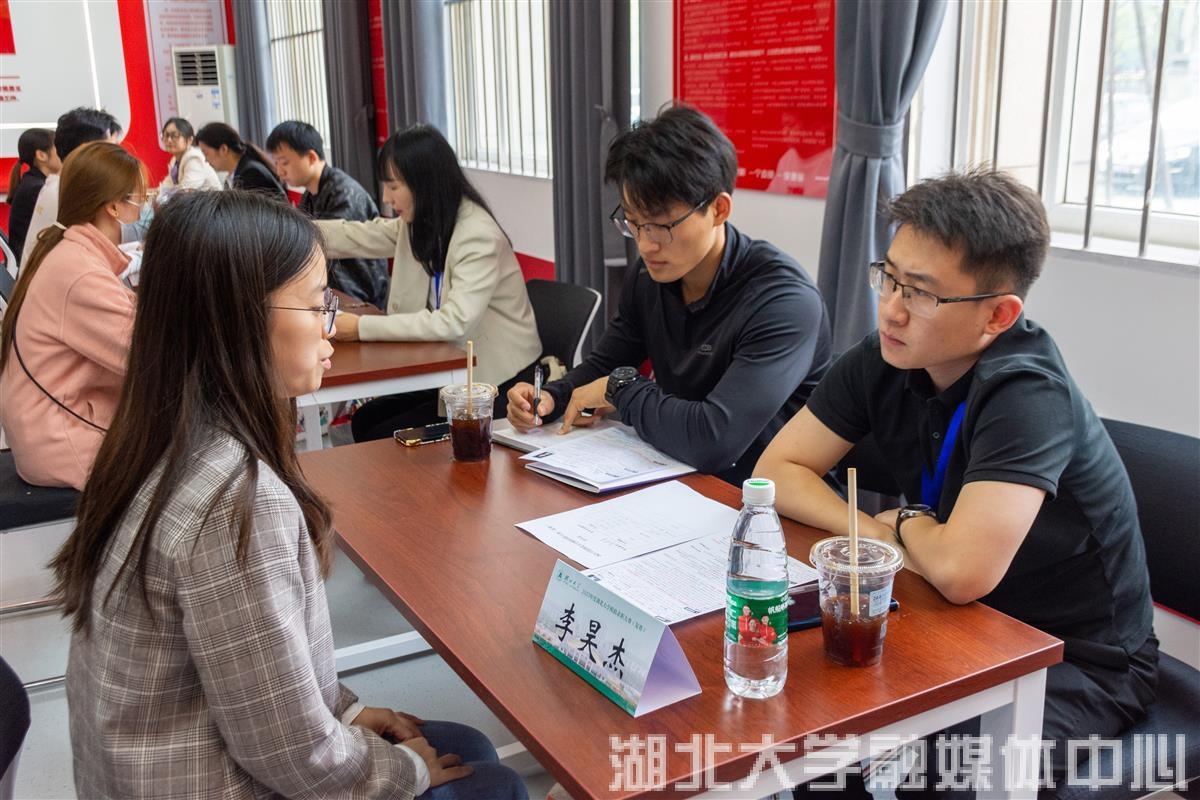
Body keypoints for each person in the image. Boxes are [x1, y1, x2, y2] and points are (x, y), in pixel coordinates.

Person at [50, 190, 528, 800]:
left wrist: (344, 709)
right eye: (317, 303)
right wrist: (404, 773)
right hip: (205, 779)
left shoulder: (159, 439)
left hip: (159, 763)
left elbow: (255, 671)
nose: (331, 327)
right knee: (493, 783)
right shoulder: (235, 499)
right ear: (239, 320)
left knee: (469, 747)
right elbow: (292, 753)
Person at [757, 169, 1157, 794]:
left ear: (999, 314)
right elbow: (776, 473)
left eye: (921, 293)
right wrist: (874, 534)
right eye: (889, 277)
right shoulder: (887, 353)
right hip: (950, 617)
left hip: (1072, 657)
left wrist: (904, 522)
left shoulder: (1028, 395)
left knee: (937, 781)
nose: (891, 308)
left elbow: (961, 571)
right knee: (812, 726)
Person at [506, 105, 832, 486]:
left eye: (662, 225)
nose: (645, 244)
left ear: (718, 209)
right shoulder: (651, 276)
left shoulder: (784, 302)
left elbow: (715, 439)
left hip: (767, 502)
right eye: (633, 223)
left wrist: (621, 389)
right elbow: (607, 362)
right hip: (677, 480)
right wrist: (551, 398)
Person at [315, 124, 541, 441]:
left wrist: (360, 327)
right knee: (367, 420)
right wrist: (296, 231)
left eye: (393, 186)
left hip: (497, 382)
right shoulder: (425, 221)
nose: (386, 197)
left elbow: (453, 323)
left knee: (380, 434)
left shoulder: (477, 234)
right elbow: (360, 235)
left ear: (424, 183)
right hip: (449, 368)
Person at [0, 142, 145, 490]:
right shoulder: (80, 273)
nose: (143, 212)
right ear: (113, 206)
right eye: (140, 201)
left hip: (54, 427)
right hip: (65, 442)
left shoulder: (70, 252)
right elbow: (150, 355)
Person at [267, 119, 389, 309]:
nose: (279, 171)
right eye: (276, 163)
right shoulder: (311, 193)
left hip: (358, 295)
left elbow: (322, 246)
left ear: (311, 157)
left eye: (285, 162)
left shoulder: (344, 193)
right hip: (332, 290)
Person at [23, 106, 123, 266]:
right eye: (111, 149)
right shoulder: (71, 193)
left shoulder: (58, 185)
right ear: (85, 151)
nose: (118, 158)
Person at [6, 128, 61, 264]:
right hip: (32, 263)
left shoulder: (33, 182)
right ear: (41, 155)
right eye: (59, 148)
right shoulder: (37, 189)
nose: (64, 153)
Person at [195, 121, 287, 200]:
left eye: (206, 153)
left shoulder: (250, 173)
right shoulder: (238, 172)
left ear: (223, 149)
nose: (206, 160)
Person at [157, 116, 221, 195]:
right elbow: (166, 186)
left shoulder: (194, 158)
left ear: (189, 140)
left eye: (175, 135)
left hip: (212, 202)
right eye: (166, 135)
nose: (169, 140)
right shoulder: (174, 160)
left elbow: (186, 192)